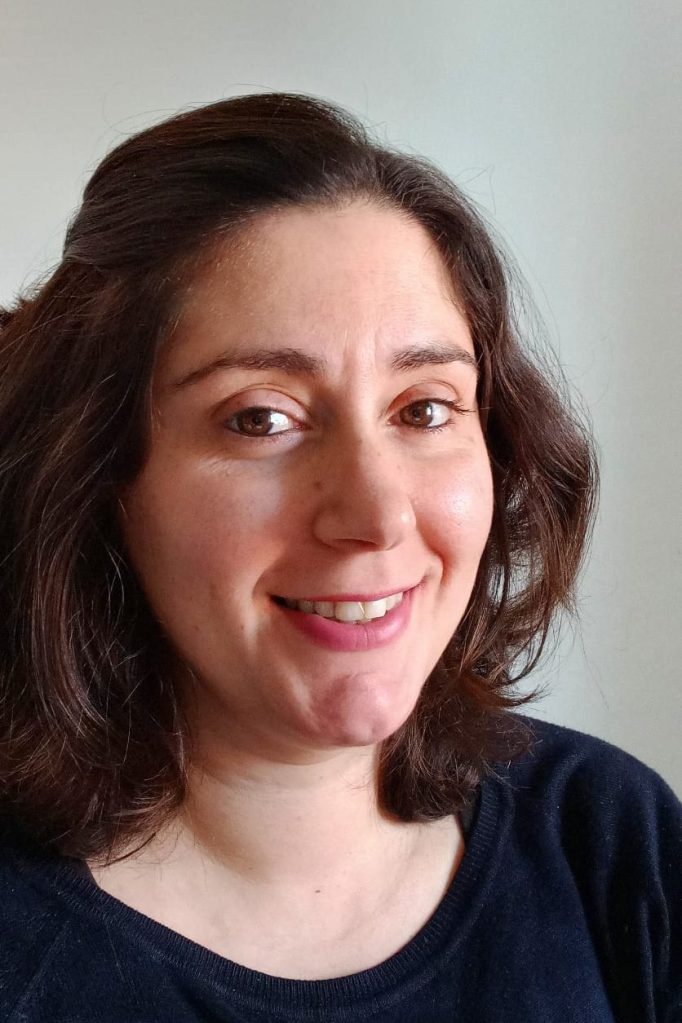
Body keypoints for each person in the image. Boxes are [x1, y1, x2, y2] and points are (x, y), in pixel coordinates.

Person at [0, 92, 679, 1023]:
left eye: (425, 408)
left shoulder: (609, 840)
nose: (377, 515)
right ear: (95, 477)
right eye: (260, 418)